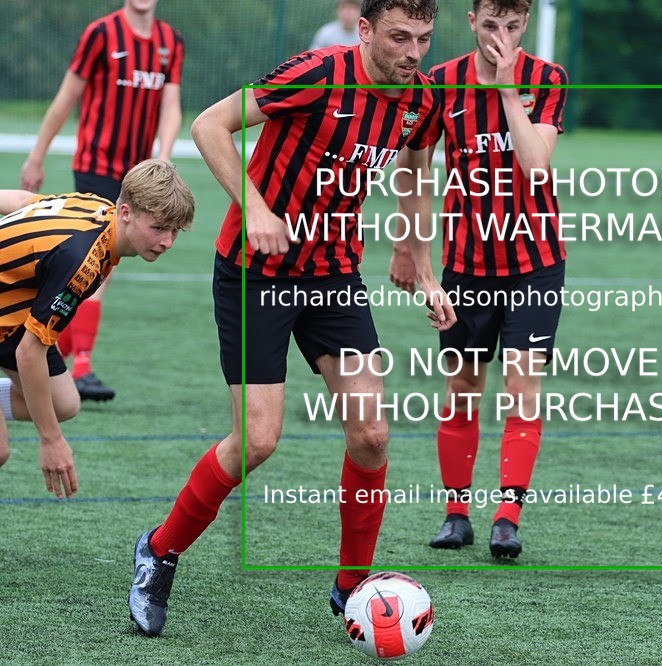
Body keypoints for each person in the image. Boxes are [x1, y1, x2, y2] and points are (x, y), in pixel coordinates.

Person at [128, 0, 455, 638]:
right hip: (256, 272)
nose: (413, 52)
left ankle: (353, 583)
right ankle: (159, 551)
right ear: (364, 30)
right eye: (398, 37)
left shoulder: (421, 98)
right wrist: (253, 206)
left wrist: (420, 263)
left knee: (373, 435)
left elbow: (416, 172)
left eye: (422, 38)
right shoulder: (317, 73)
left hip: (333, 276)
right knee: (258, 440)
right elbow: (211, 125)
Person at [390, 0, 568, 559]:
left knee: (522, 386)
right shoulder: (438, 83)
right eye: (491, 25)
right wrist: (406, 245)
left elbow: (535, 164)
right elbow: (414, 168)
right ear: (471, 21)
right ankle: (456, 514)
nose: (501, 36)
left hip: (535, 262)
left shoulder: (547, 80)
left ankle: (507, 519)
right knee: (464, 388)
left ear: (525, 25)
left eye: (513, 26)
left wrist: (510, 89)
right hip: (466, 264)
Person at [0, 159, 195, 499]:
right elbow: (29, 354)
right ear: (126, 212)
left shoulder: (98, 208)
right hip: (11, 321)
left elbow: (22, 202)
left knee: (64, 403)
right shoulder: (81, 260)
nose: (168, 242)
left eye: (175, 231)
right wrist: (51, 440)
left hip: (11, 314)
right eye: (159, 228)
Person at [20, 0, 184, 402]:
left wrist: (162, 156)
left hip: (139, 176)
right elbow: (67, 96)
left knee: (103, 270)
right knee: (94, 264)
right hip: (97, 166)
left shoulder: (169, 42)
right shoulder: (101, 34)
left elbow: (170, 105)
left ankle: (67, 354)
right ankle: (80, 367)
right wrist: (36, 155)